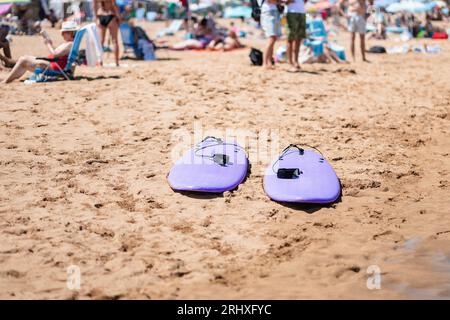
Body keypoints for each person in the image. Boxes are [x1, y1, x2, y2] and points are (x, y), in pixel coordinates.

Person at [2, 21, 78, 84]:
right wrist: (50, 44)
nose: (61, 34)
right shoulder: (70, 44)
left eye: (63, 32)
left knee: (23, 60)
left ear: (70, 33)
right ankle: (10, 78)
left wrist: (47, 44)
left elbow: (55, 54)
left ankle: (6, 80)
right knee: (24, 58)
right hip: (52, 64)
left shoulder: (69, 44)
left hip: (53, 67)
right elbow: (58, 53)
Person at [94, 0, 121, 66]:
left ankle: (100, 62)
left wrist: (95, 16)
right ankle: (117, 62)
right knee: (115, 41)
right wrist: (118, 16)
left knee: (101, 41)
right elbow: (114, 4)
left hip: (100, 15)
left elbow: (94, 5)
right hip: (110, 15)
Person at [260, 0, 282, 69]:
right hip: (268, 12)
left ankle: (269, 62)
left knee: (273, 38)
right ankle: (264, 63)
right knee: (271, 38)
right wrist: (279, 1)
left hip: (273, 11)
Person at [285, 0, 306, 72]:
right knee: (290, 38)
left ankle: (296, 61)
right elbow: (284, 1)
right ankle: (290, 62)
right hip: (291, 12)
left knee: (299, 39)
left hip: (302, 12)